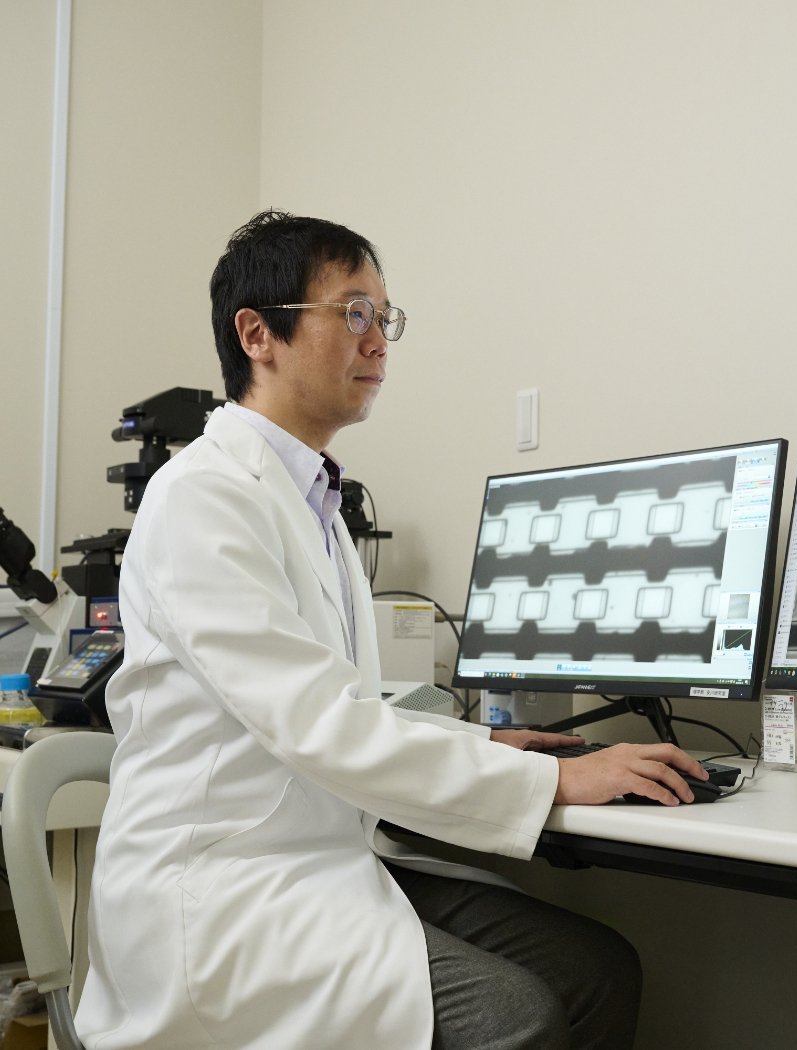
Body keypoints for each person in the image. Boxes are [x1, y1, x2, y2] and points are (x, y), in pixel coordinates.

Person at [75, 210, 708, 1050]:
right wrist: (554, 781)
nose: (378, 342)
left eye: (383, 317)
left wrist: (486, 745)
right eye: (353, 313)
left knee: (598, 970)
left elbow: (342, 707)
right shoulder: (204, 496)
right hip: (226, 890)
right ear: (257, 335)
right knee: (518, 1017)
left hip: (323, 863)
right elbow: (319, 725)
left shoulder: (315, 503)